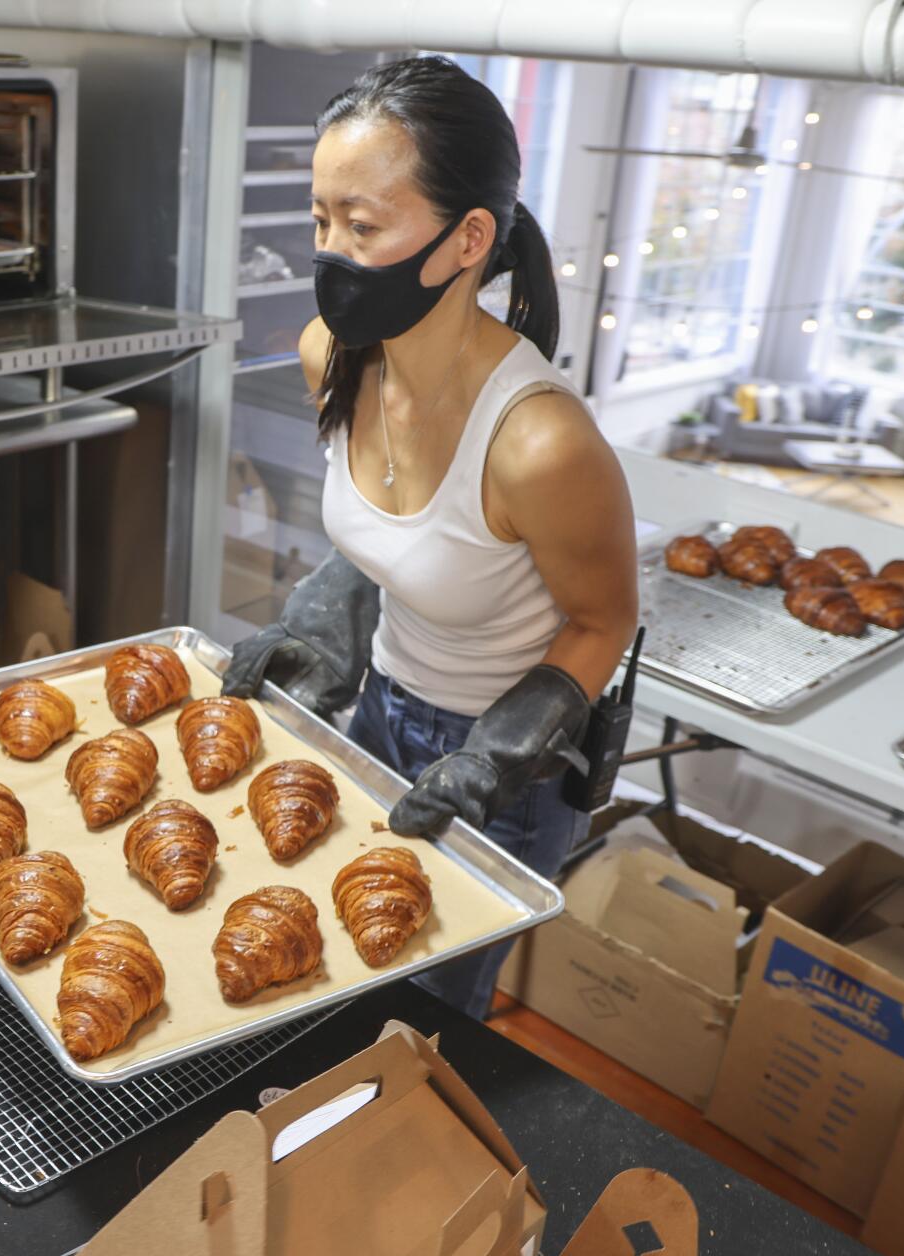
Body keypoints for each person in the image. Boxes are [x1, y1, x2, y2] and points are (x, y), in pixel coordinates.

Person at [224, 56, 639, 1021]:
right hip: (379, 713)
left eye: (363, 227)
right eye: (321, 218)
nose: (329, 251)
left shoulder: (540, 442)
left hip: (507, 774)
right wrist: (325, 627)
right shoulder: (330, 358)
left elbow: (604, 618)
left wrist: (494, 756)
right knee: (330, 972)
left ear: (468, 240)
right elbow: (401, 541)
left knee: (424, 1020)